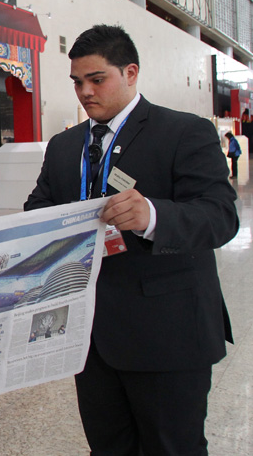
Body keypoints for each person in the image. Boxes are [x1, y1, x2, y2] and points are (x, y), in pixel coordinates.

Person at [24, 24, 238, 454]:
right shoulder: (65, 146)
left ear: (131, 72)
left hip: (168, 333)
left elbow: (220, 216)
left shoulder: (183, 132)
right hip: (92, 337)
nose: (85, 92)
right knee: (108, 446)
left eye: (96, 79)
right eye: (77, 82)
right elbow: (37, 209)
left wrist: (152, 215)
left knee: (172, 446)